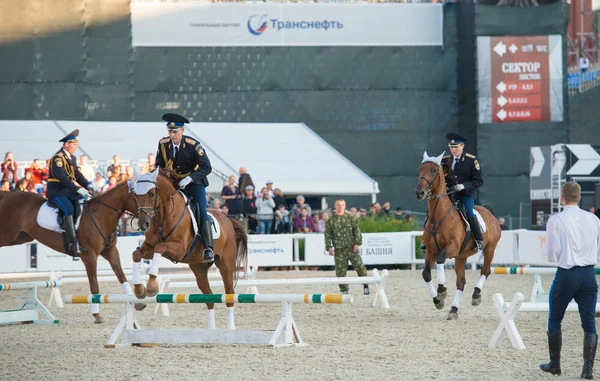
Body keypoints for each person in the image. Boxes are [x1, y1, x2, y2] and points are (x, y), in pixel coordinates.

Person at [540, 182, 600, 379]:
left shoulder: (556, 220)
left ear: (562, 198)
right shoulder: (594, 219)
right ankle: (587, 370)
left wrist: (548, 252)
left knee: (555, 318)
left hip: (567, 274)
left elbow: (551, 253)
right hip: (589, 274)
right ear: (580, 197)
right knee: (589, 322)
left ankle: (555, 364)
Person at [155, 113, 214, 263]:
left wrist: (190, 178)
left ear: (182, 130)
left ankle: (208, 248)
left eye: (175, 131)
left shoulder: (193, 145)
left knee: (201, 209)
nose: (172, 134)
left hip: (194, 183)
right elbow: (159, 165)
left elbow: (207, 167)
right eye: (170, 131)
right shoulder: (163, 144)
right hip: (173, 183)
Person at [421, 132, 484, 251]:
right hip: (448, 195)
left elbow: (478, 181)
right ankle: (427, 238)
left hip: (465, 194)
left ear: (462, 146)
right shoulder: (444, 161)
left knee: (469, 211)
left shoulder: (471, 160)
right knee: (431, 210)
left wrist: (463, 186)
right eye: (451, 147)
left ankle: (478, 239)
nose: (453, 150)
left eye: (456, 147)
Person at [46, 129, 92, 257]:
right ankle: (72, 242)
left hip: (67, 191)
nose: (76, 148)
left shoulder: (71, 157)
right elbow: (63, 178)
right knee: (69, 209)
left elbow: (76, 174)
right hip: (56, 192)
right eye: (74, 145)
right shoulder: (57, 158)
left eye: (77, 145)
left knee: (83, 204)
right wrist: (78, 189)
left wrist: (88, 185)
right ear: (66, 144)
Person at [324, 199, 369, 295]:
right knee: (340, 271)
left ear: (345, 206)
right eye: (338, 205)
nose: (340, 207)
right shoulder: (330, 221)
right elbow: (327, 235)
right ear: (335, 206)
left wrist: (357, 243)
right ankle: (344, 290)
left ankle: (365, 285)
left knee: (360, 267)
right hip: (339, 250)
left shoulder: (350, 218)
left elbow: (357, 231)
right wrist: (329, 247)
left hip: (351, 248)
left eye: (342, 205)